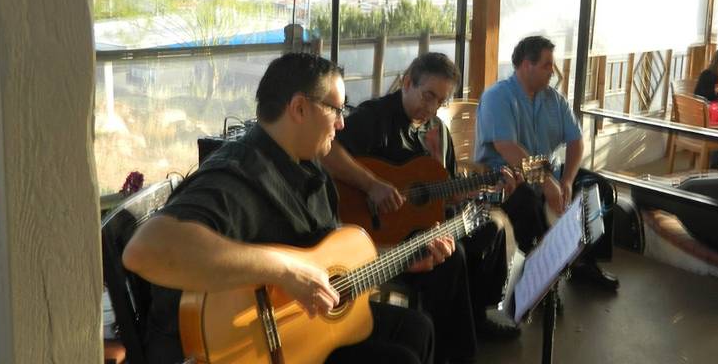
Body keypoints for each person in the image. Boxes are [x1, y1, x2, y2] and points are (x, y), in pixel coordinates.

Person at [122, 53, 451, 364]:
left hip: (298, 325)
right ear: (299, 108)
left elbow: (321, 262)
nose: (341, 124)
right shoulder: (240, 175)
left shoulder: (306, 164)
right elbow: (144, 249)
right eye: (337, 109)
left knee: (417, 329)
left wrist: (404, 254)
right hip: (240, 347)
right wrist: (284, 270)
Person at [322, 52, 519, 364]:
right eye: (428, 96)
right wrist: (371, 184)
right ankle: (449, 351)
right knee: (452, 258)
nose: (431, 108)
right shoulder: (373, 118)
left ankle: (477, 317)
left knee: (489, 228)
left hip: (423, 223)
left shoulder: (437, 132)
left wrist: (485, 188)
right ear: (407, 82)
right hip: (375, 234)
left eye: (439, 101)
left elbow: (448, 190)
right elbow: (328, 152)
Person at [475, 35, 620, 291]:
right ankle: (536, 278)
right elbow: (507, 147)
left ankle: (583, 263)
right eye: (547, 65)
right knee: (528, 201)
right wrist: (547, 183)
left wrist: (566, 180)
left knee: (598, 188)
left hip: (551, 173)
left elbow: (576, 141)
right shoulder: (498, 96)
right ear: (525, 65)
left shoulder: (554, 99)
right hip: (505, 178)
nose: (553, 71)